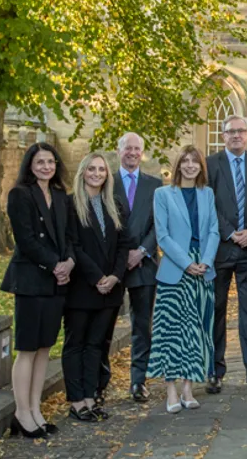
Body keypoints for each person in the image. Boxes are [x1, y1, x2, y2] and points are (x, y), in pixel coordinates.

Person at [0, 142, 74, 438]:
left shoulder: (60, 195)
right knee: (28, 348)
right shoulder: (20, 195)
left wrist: (68, 261)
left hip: (57, 280)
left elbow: (68, 235)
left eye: (51, 162)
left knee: (45, 347)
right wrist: (54, 264)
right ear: (30, 164)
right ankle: (21, 412)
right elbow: (26, 240)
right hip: (32, 279)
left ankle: (35, 409)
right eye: (40, 162)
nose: (46, 166)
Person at [148, 146, 219, 413]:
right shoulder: (163, 194)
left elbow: (213, 230)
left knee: (195, 329)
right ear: (178, 165)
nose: (190, 166)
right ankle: (171, 391)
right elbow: (163, 235)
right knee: (171, 331)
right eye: (185, 161)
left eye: (195, 162)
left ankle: (189, 388)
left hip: (203, 268)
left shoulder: (207, 194)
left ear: (201, 166)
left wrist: (206, 261)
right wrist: (187, 263)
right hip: (176, 270)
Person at [205, 115, 247, 393]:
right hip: (220, 247)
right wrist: (230, 232)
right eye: (230, 132)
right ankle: (213, 371)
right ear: (223, 136)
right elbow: (207, 201)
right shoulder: (210, 165)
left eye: (240, 131)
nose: (236, 136)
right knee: (215, 311)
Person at [63, 152, 131, 422]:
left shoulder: (113, 204)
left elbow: (124, 244)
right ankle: (76, 400)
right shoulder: (71, 205)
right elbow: (73, 246)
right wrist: (96, 277)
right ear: (82, 173)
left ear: (107, 174)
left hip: (110, 289)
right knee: (75, 343)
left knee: (95, 345)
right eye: (91, 169)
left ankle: (91, 396)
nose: (96, 173)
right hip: (82, 287)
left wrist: (114, 276)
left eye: (101, 170)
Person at [100, 132, 161, 404]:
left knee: (141, 326)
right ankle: (98, 384)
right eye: (128, 148)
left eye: (137, 148)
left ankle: (138, 381)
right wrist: (121, 255)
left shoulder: (155, 185)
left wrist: (142, 251)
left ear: (142, 152)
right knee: (103, 325)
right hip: (111, 264)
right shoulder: (105, 183)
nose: (132, 153)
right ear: (118, 150)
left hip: (144, 263)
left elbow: (160, 224)